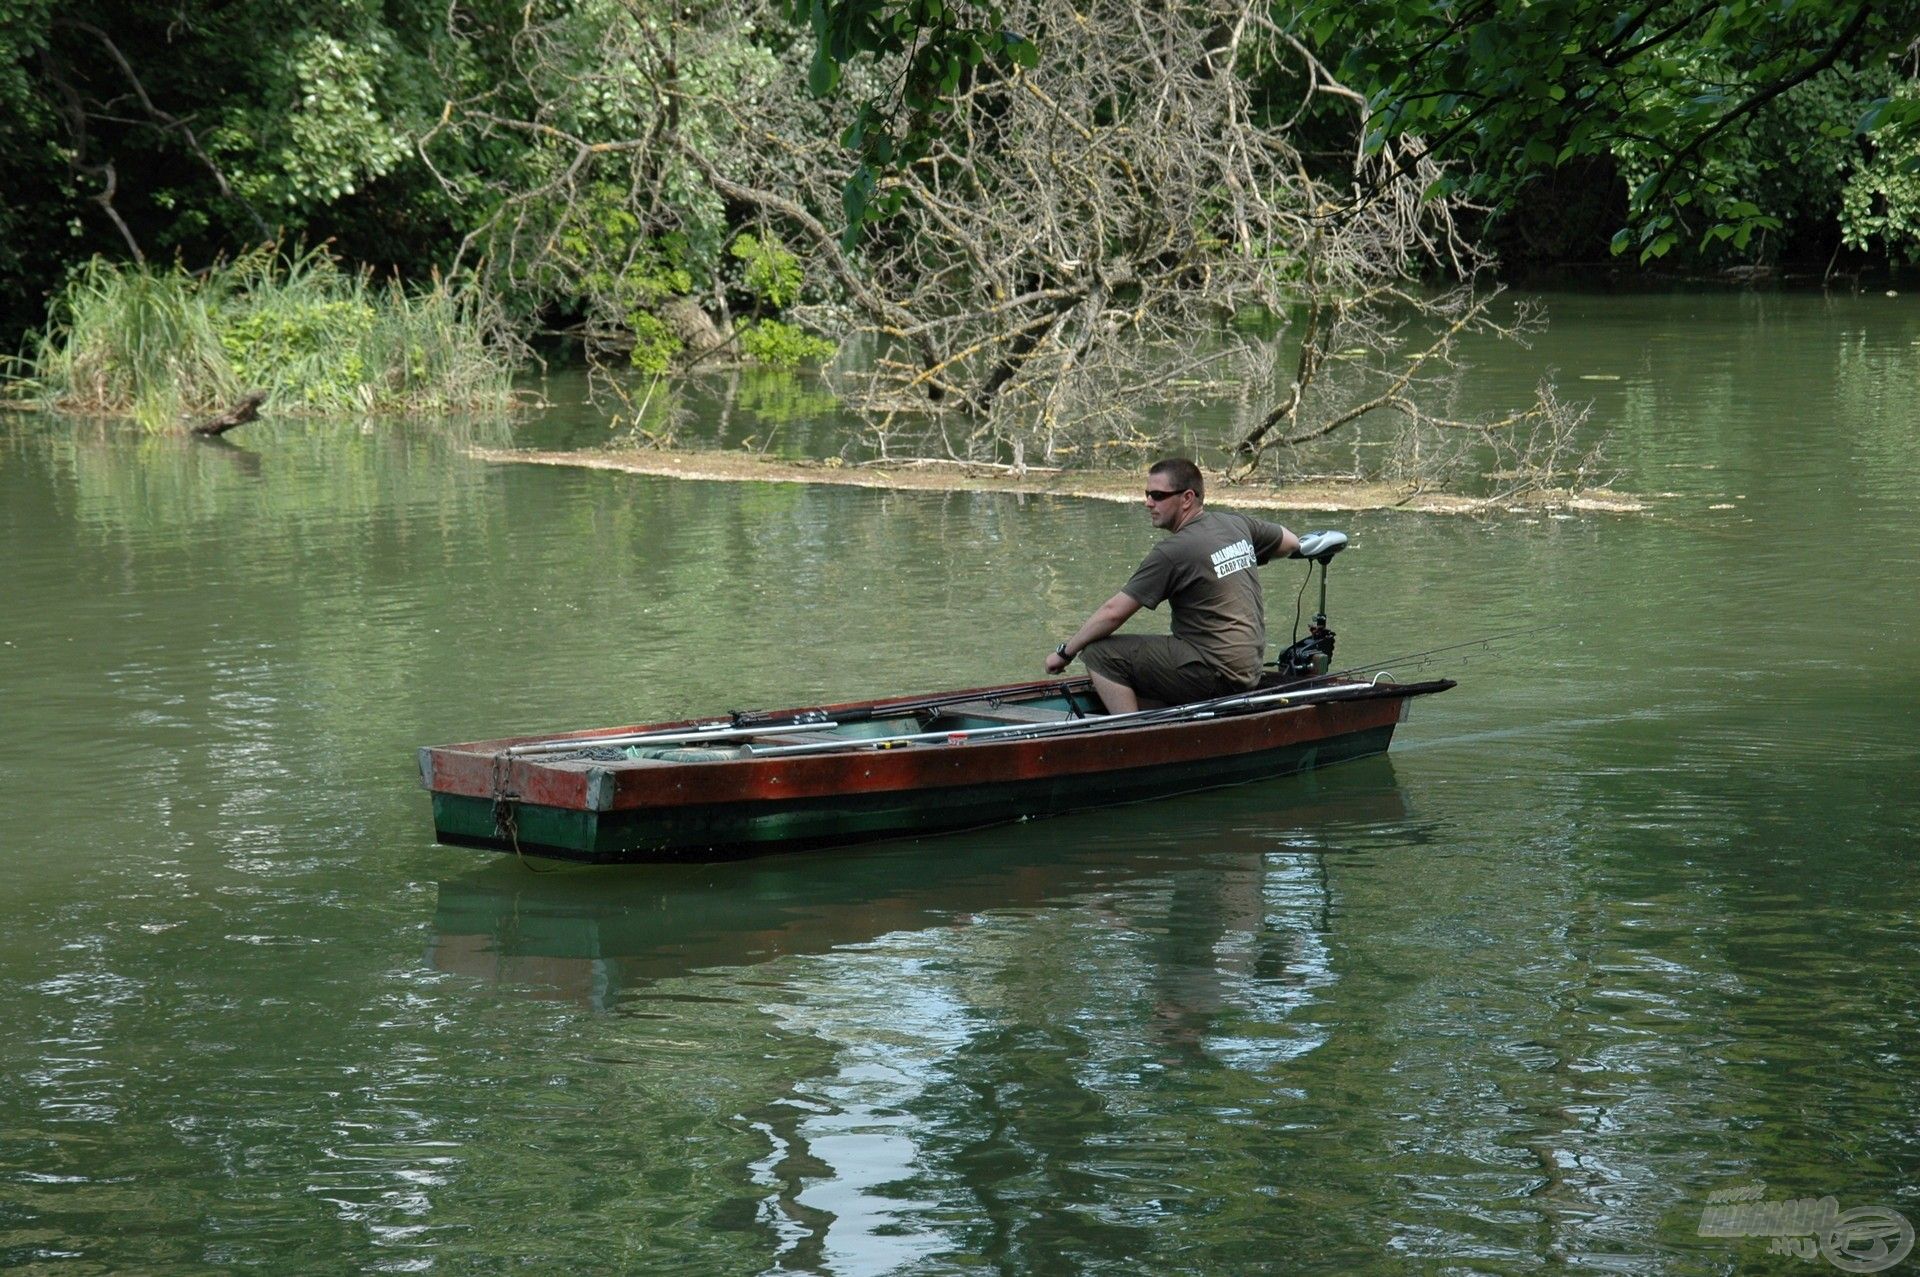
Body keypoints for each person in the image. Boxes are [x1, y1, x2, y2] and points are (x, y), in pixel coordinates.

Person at [1044, 458, 1300, 713]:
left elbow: (1113, 613)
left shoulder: (1174, 551)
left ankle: (1131, 735)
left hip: (1217, 676)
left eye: (1157, 495)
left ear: (1187, 498)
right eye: (1147, 494)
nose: (1148, 503)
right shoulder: (1234, 524)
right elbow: (1290, 542)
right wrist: (1238, 561)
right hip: (1246, 671)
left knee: (1099, 653)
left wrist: (1065, 652)